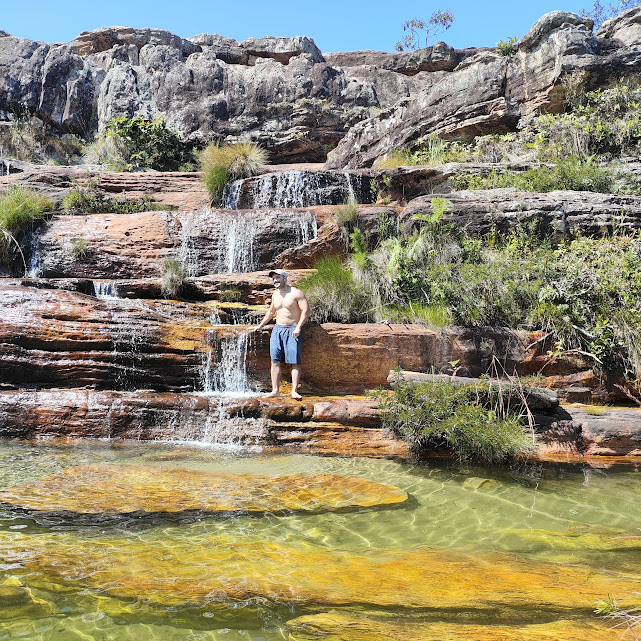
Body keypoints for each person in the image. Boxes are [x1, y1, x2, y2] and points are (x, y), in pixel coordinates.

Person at [248, 269, 310, 399]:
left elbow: (306, 311)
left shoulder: (296, 293)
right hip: (278, 330)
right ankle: (275, 390)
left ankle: (294, 391)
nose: (275, 280)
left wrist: (298, 328)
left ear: (285, 278)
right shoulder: (275, 295)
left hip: (292, 329)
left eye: (278, 278)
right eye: (274, 278)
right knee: (275, 361)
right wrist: (260, 326)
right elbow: (271, 312)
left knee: (294, 362)